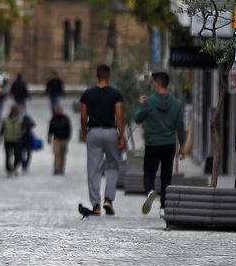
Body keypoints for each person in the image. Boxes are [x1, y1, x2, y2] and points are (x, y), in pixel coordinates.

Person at [135, 72, 186, 215]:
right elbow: (180, 126)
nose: (152, 84)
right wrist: (182, 146)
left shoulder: (148, 102)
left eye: (153, 82)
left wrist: (141, 105)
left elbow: (138, 119)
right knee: (166, 177)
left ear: (157, 83)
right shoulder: (176, 103)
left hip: (152, 144)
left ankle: (150, 190)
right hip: (169, 144)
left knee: (149, 173)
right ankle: (163, 207)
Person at [80, 64, 125, 215]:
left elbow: (83, 115)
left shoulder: (87, 94)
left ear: (97, 76)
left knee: (93, 169)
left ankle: (96, 205)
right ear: (109, 76)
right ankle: (109, 200)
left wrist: (84, 132)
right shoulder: (115, 94)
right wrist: (121, 135)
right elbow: (119, 116)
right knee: (112, 166)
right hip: (110, 132)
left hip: (93, 132)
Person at [0, 104, 25, 176]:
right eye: (14, 110)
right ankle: (8, 169)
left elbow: (24, 127)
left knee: (18, 155)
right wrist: (0, 136)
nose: (15, 112)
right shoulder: (6, 118)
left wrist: (22, 133)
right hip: (8, 139)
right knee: (8, 155)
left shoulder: (21, 119)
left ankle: (15, 167)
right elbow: (2, 128)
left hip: (17, 139)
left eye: (16, 110)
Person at [47, 105, 72, 175]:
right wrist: (49, 137)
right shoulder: (53, 119)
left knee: (63, 154)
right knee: (57, 154)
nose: (59, 111)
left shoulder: (65, 118)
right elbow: (50, 128)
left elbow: (69, 128)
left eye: (60, 110)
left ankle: (62, 169)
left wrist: (68, 137)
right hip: (56, 139)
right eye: (58, 110)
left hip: (64, 139)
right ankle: (56, 169)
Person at [19, 109, 37, 173]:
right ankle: (23, 164)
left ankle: (26, 164)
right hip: (21, 139)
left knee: (28, 154)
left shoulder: (27, 118)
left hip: (28, 139)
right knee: (21, 154)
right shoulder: (18, 118)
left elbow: (33, 124)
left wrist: (28, 122)